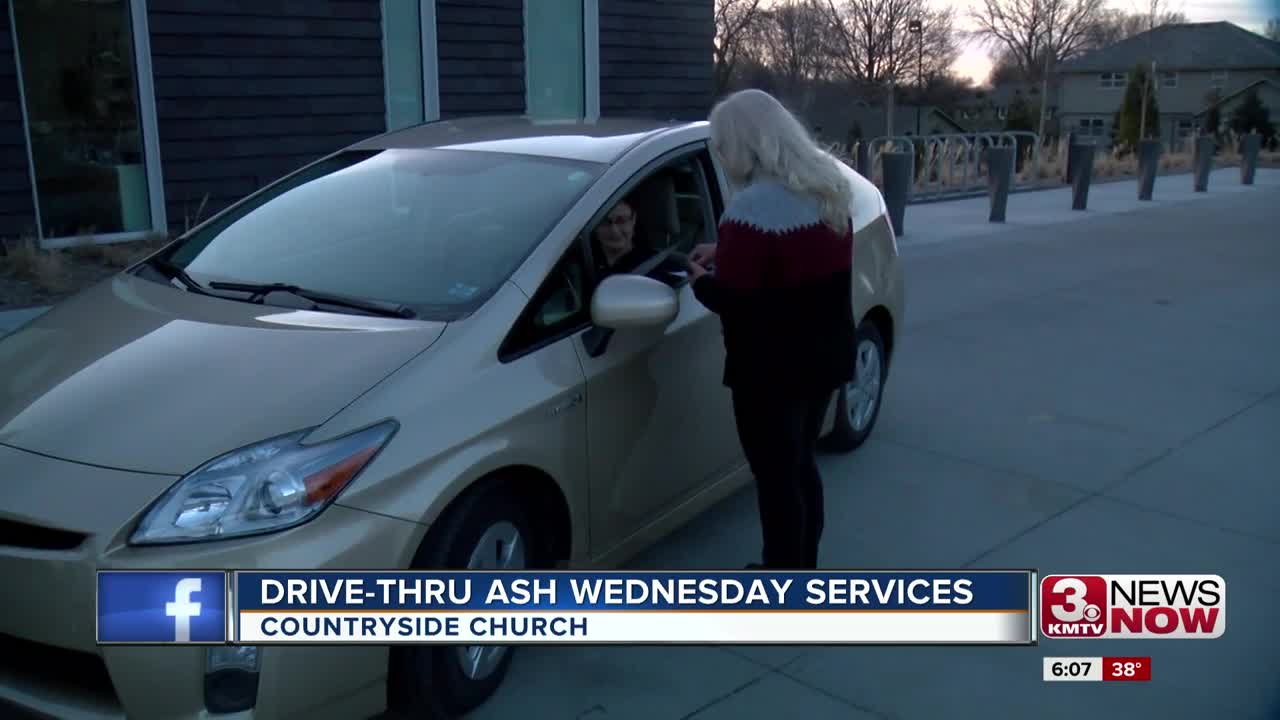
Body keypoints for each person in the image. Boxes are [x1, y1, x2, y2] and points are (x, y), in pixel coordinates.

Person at [686, 89, 857, 570]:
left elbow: (737, 303)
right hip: (822, 361)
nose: (720, 155)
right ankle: (804, 570)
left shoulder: (749, 211)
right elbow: (793, 270)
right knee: (802, 470)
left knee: (776, 483)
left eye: (723, 144)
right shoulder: (826, 191)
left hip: (770, 375)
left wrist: (702, 282)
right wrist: (725, 251)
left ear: (744, 144)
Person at [591, 197, 654, 276]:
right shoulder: (581, 263)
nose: (614, 231)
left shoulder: (653, 267)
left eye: (621, 220)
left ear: (633, 220)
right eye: (605, 222)